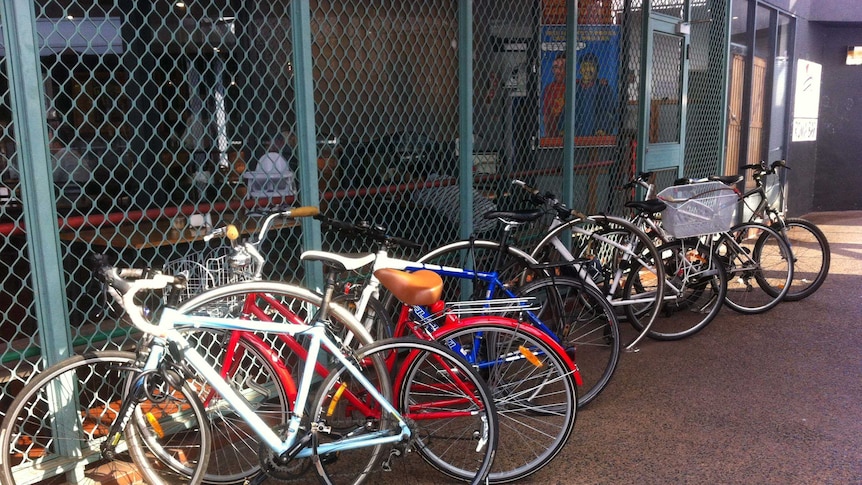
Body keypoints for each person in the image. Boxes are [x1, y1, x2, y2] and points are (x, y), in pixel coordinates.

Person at [244, 131, 297, 199]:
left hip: (282, 187)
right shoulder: (262, 159)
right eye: (266, 145)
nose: (269, 146)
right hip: (263, 189)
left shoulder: (288, 158)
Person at [574, 52, 615, 137]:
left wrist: (602, 128)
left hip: (596, 136)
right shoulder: (574, 89)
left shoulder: (604, 89)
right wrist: (563, 128)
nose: (587, 69)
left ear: (597, 69)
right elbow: (565, 111)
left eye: (591, 66)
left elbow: (608, 112)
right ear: (580, 70)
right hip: (575, 136)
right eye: (584, 66)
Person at [542, 52, 567, 138]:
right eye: (555, 67)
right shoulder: (549, 89)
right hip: (553, 136)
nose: (558, 71)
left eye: (562, 68)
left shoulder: (575, 86)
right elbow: (546, 115)